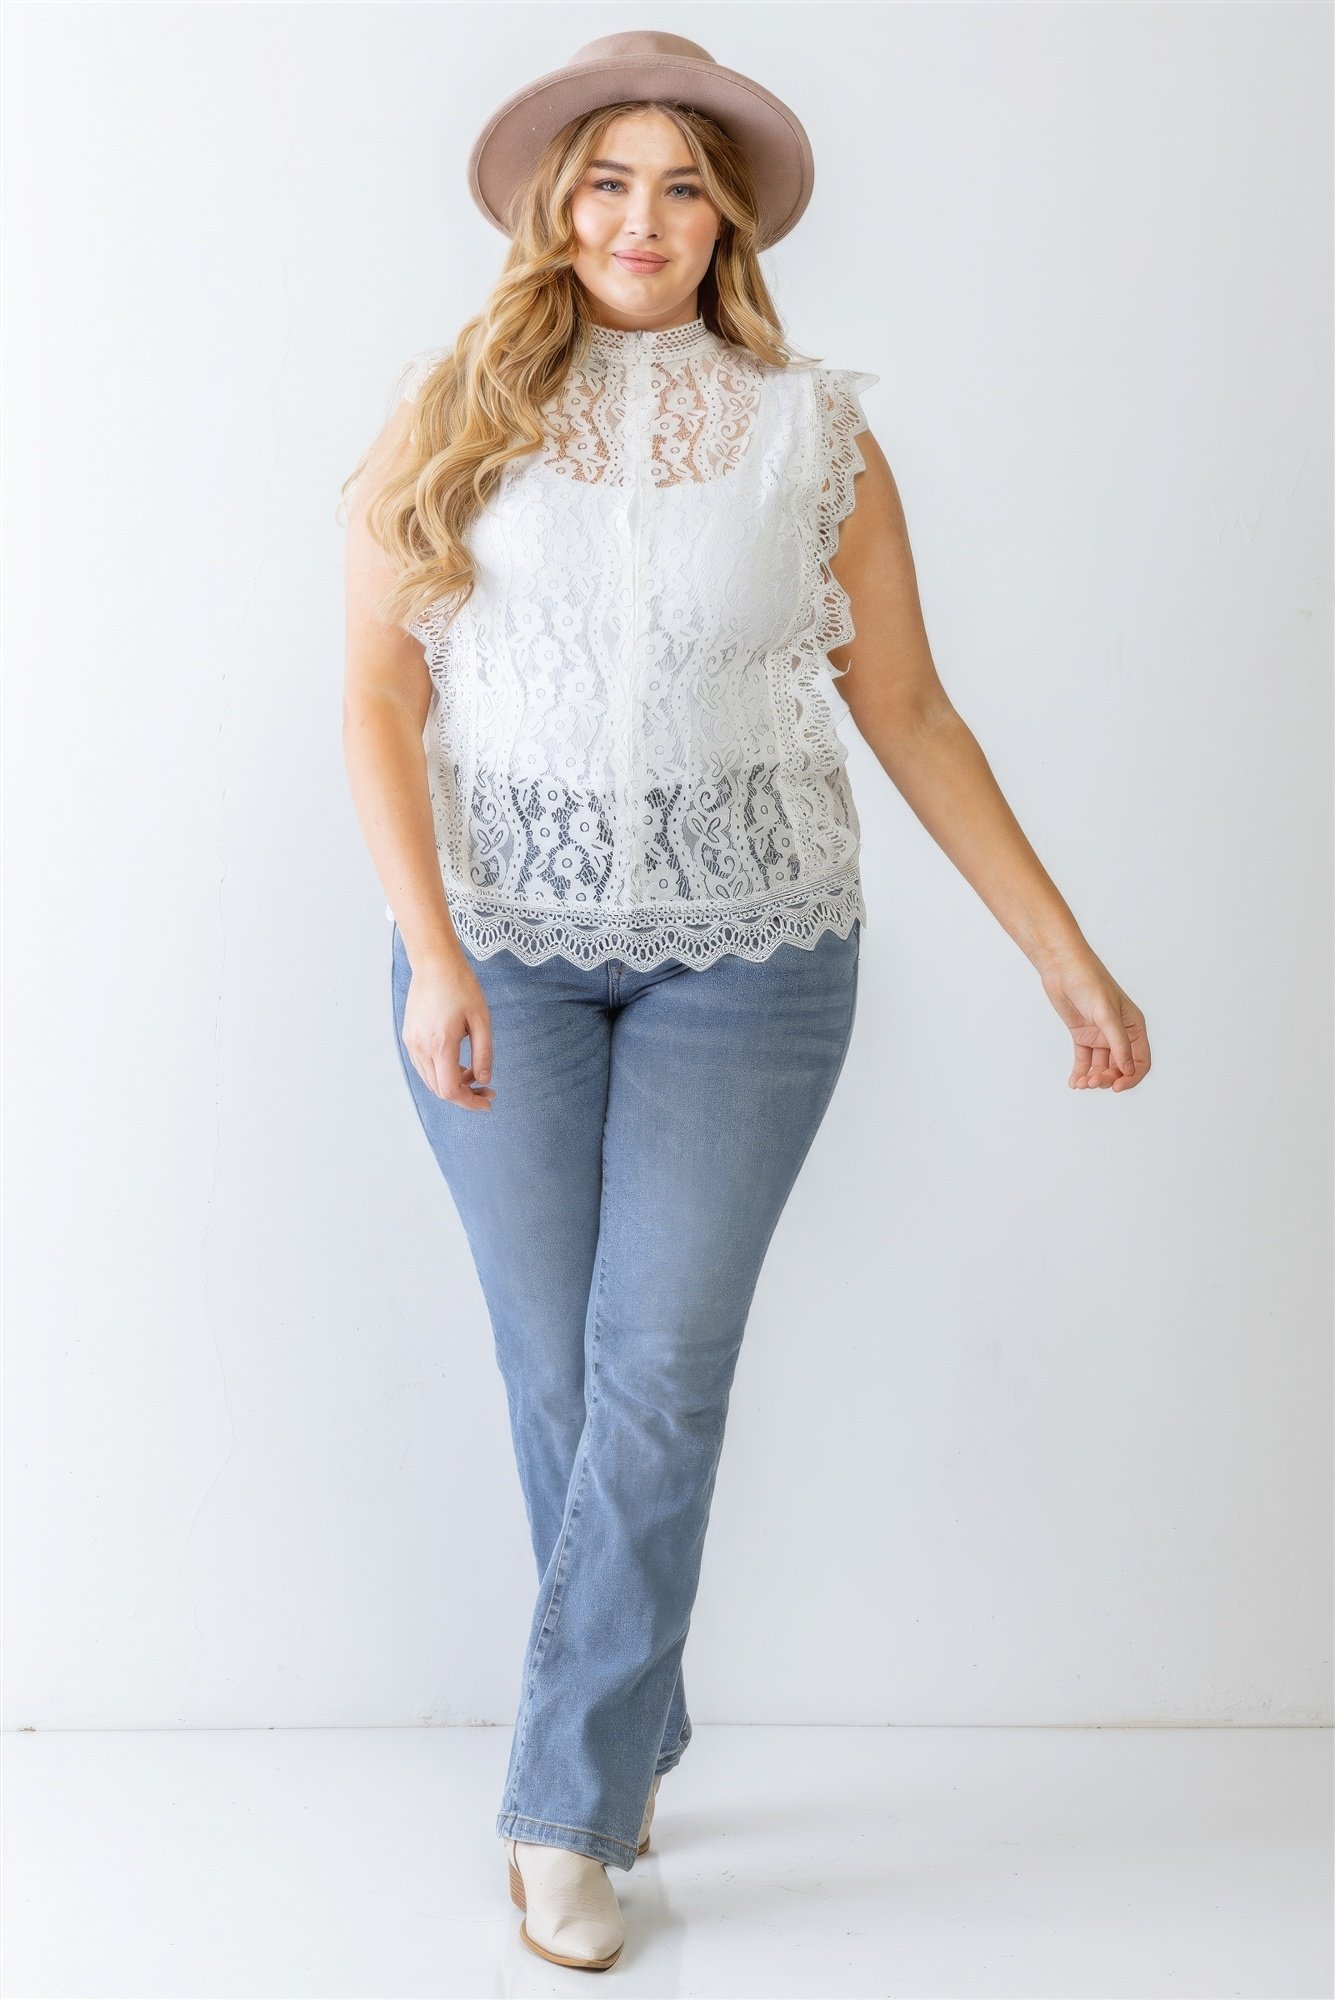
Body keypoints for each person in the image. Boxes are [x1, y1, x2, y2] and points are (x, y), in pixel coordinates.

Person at [340, 28, 1152, 1974]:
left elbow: (910, 711)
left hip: (755, 955)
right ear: (558, 209)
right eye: (608, 182)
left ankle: (564, 1806)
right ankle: (625, 1719)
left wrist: (1062, 951)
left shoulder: (813, 437)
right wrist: (432, 952)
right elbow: (374, 693)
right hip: (499, 948)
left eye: (682, 186)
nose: (643, 219)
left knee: (658, 1370)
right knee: (558, 1374)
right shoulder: (447, 407)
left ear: (728, 224)